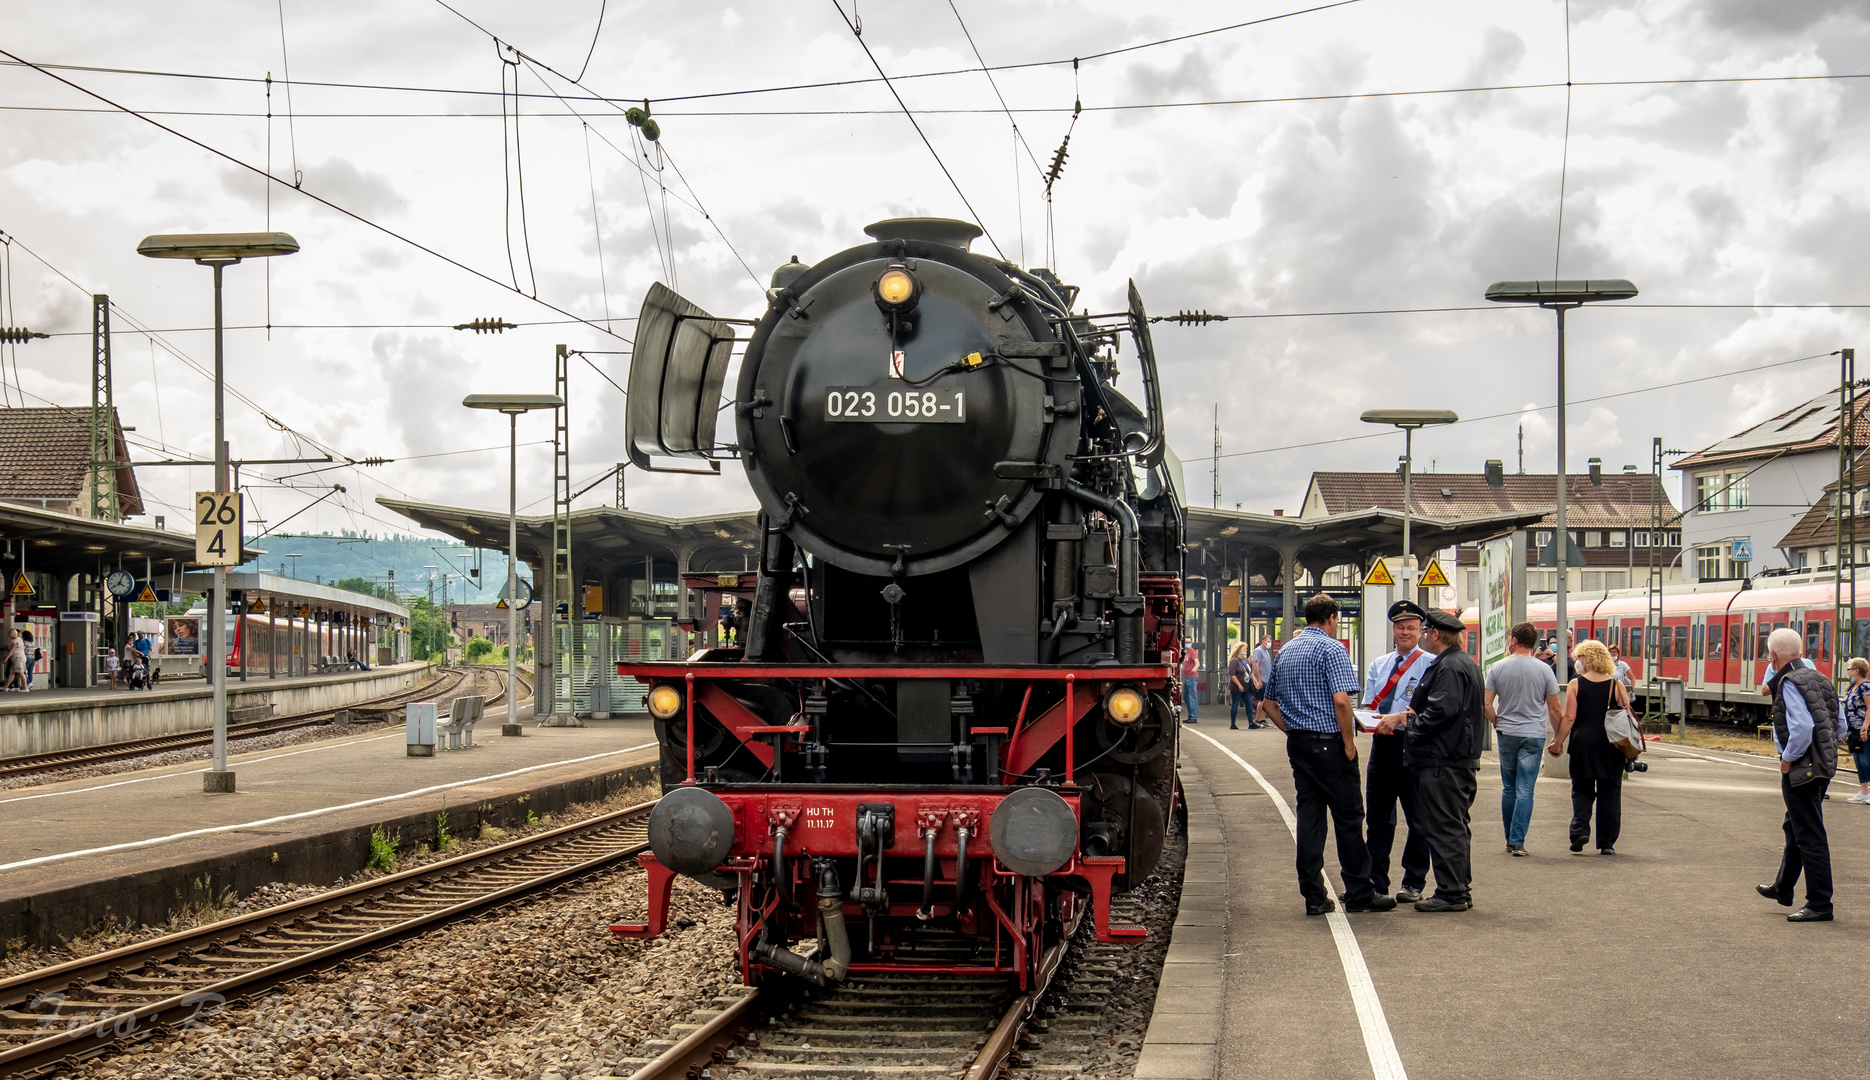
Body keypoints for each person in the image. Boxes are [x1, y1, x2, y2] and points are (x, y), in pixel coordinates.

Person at [1262, 593, 1397, 915]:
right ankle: (1359, 892)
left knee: (1310, 817)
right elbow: (1341, 701)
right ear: (1332, 618)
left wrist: (1294, 730)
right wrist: (1349, 744)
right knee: (1349, 817)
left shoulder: (1287, 650)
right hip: (1330, 745)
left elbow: (1267, 704)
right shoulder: (1332, 648)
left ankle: (1313, 895)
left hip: (1299, 745)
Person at [1377, 608, 1485, 912]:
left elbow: (1441, 710)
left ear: (1436, 634)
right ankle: (1458, 888)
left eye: (1426, 632)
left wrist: (1408, 722)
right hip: (1456, 757)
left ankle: (1451, 893)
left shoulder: (1448, 667)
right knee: (1455, 825)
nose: (1424, 636)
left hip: (1443, 759)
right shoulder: (1462, 662)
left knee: (1443, 826)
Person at [1756, 627, 1840, 922]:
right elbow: (1838, 723)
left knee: (1809, 834)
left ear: (1773, 656)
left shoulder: (1789, 682)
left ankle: (1819, 903)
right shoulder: (1820, 677)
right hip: (1823, 764)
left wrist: (1788, 759)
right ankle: (1783, 886)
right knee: (1794, 826)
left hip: (1801, 767)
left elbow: (1803, 728)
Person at [1358, 600, 1434, 903]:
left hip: (1415, 745)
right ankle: (1376, 881)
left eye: (1412, 628)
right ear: (1393, 630)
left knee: (1419, 818)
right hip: (1383, 745)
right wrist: (1368, 718)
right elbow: (1369, 703)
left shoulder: (1430, 663)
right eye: (1401, 627)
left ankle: (1413, 882)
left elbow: (1430, 709)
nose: (1406, 632)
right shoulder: (1380, 663)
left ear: (1421, 632)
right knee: (1378, 818)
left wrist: (1401, 719)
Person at [1485, 622, 1563, 855]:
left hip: (1507, 733)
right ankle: (1517, 841)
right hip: (1533, 734)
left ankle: (1510, 838)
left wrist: (1497, 721)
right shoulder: (1544, 670)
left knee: (1509, 787)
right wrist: (1558, 738)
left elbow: (1487, 704)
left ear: (1514, 640)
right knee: (1525, 789)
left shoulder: (1497, 667)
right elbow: (1555, 709)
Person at [1547, 639, 1631, 855]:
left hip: (1583, 743)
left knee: (1582, 789)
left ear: (1588, 659)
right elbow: (1625, 717)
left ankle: (1579, 831)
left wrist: (1558, 742)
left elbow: (1569, 717)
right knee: (1610, 792)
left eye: (1579, 658)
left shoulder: (1576, 684)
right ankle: (1607, 842)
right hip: (1611, 745)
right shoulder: (1617, 685)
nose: (1577, 661)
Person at [1846, 657, 1870, 804]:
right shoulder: (1852, 687)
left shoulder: (1866, 687)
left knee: (1866, 760)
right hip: (1853, 731)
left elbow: (1869, 707)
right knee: (1859, 762)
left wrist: (1865, 726)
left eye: (1849, 670)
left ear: (1856, 670)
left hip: (1864, 730)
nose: (1848, 673)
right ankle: (1864, 792)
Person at [1249, 634, 1274, 728]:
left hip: (1267, 678)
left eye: (1270, 641)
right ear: (1262, 641)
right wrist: (1258, 679)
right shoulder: (1258, 650)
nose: (1269, 643)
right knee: (1262, 700)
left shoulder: (1266, 651)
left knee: (1265, 700)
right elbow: (1256, 664)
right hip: (1262, 679)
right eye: (1267, 641)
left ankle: (1262, 719)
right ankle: (1258, 719)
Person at [1227, 642, 1253, 730]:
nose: (1246, 650)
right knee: (1235, 704)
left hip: (1246, 686)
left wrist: (1255, 681)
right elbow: (1232, 674)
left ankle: (1251, 722)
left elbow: (1250, 672)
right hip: (1237, 687)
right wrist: (1239, 685)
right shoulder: (1235, 660)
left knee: (1249, 704)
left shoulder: (1245, 660)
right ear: (1239, 649)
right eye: (1244, 648)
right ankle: (1233, 723)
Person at [1180, 642, 1200, 724]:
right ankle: (1190, 715)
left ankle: (1193, 716)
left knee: (1192, 697)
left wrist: (1194, 669)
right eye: (1186, 642)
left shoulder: (1192, 652)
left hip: (1192, 677)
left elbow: (1197, 663)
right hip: (1186, 677)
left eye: (1189, 642)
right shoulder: (1185, 653)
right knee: (1185, 697)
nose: (1187, 644)